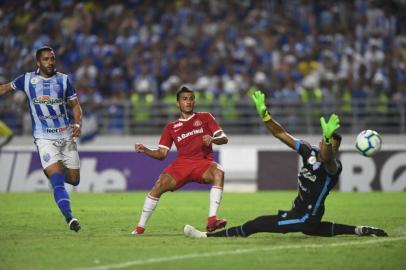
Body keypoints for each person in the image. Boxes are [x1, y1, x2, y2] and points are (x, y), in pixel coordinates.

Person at [183, 90, 388, 239]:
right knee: (318, 230)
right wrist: (265, 116)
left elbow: (328, 158)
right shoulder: (309, 151)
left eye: (333, 146)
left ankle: (205, 237)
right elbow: (281, 134)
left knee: (257, 224)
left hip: (306, 216)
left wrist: (327, 140)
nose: (329, 147)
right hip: (301, 213)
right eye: (326, 141)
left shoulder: (334, 168)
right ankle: (360, 230)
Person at [0, 46, 83, 232]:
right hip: (44, 138)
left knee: (74, 179)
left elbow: (76, 105)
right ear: (38, 62)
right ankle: (70, 217)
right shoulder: (27, 80)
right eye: (46, 59)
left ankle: (54, 169)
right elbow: (5, 88)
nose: (50, 62)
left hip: (66, 136)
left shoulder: (63, 80)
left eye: (52, 59)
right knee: (57, 180)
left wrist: (77, 124)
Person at [131, 86, 229, 235]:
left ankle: (211, 220)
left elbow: (224, 138)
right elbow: (162, 154)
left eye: (191, 99)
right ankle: (140, 227)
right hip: (181, 164)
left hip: (203, 163)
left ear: (194, 101)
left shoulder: (206, 117)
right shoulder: (171, 127)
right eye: (184, 99)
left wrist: (213, 138)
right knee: (159, 185)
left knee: (219, 172)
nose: (188, 102)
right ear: (178, 103)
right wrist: (145, 150)